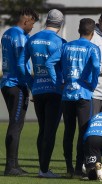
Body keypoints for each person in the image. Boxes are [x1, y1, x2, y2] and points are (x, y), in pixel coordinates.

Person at [45, 18, 100, 177]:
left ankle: (69, 168)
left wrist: (57, 83)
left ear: (79, 30)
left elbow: (49, 63)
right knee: (84, 132)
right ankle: (78, 168)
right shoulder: (93, 48)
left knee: (68, 132)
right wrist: (93, 83)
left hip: (67, 94)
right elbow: (96, 66)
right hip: (83, 94)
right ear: (93, 32)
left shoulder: (66, 46)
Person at [17, 9, 66, 178]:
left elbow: (20, 64)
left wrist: (31, 83)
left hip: (38, 90)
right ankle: (44, 170)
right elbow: (64, 68)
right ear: (60, 24)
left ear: (46, 21)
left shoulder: (32, 39)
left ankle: (42, 167)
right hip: (54, 90)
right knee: (50, 131)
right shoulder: (60, 42)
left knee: (42, 129)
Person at [0, 7, 39, 176]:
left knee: (15, 124)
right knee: (16, 125)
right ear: (26, 21)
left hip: (7, 83)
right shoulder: (19, 37)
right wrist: (33, 86)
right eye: (32, 24)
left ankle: (14, 164)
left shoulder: (7, 33)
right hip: (17, 84)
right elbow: (21, 64)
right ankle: (10, 167)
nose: (33, 27)